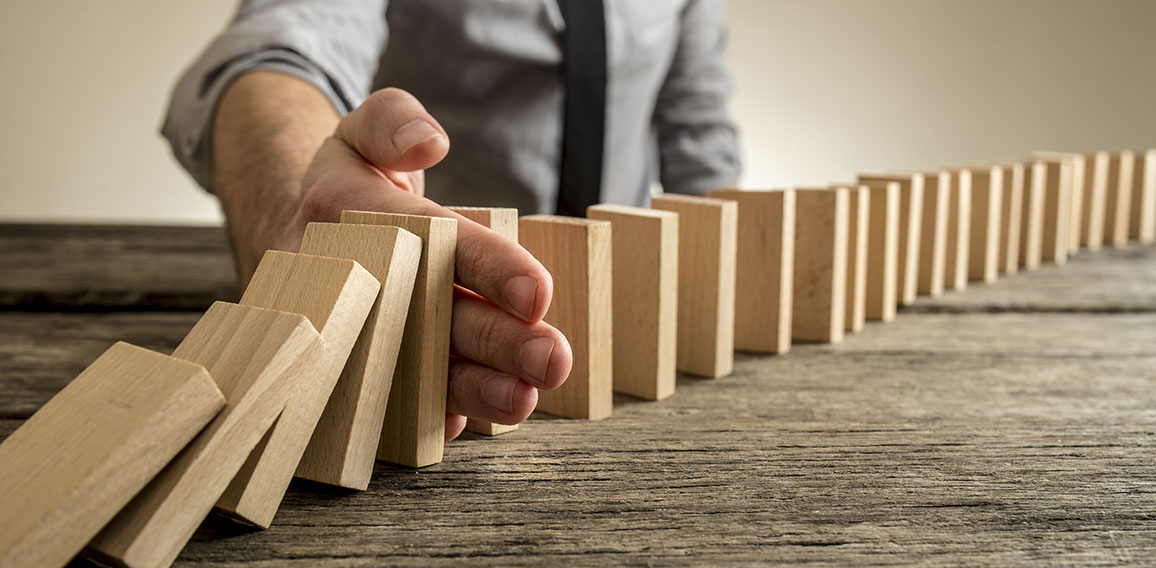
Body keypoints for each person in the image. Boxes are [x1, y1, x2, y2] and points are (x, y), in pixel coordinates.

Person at [163, 0, 741, 440]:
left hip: (630, 333)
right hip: (434, 315)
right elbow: (283, 47)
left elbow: (697, 124)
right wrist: (298, 202)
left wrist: (720, 287)